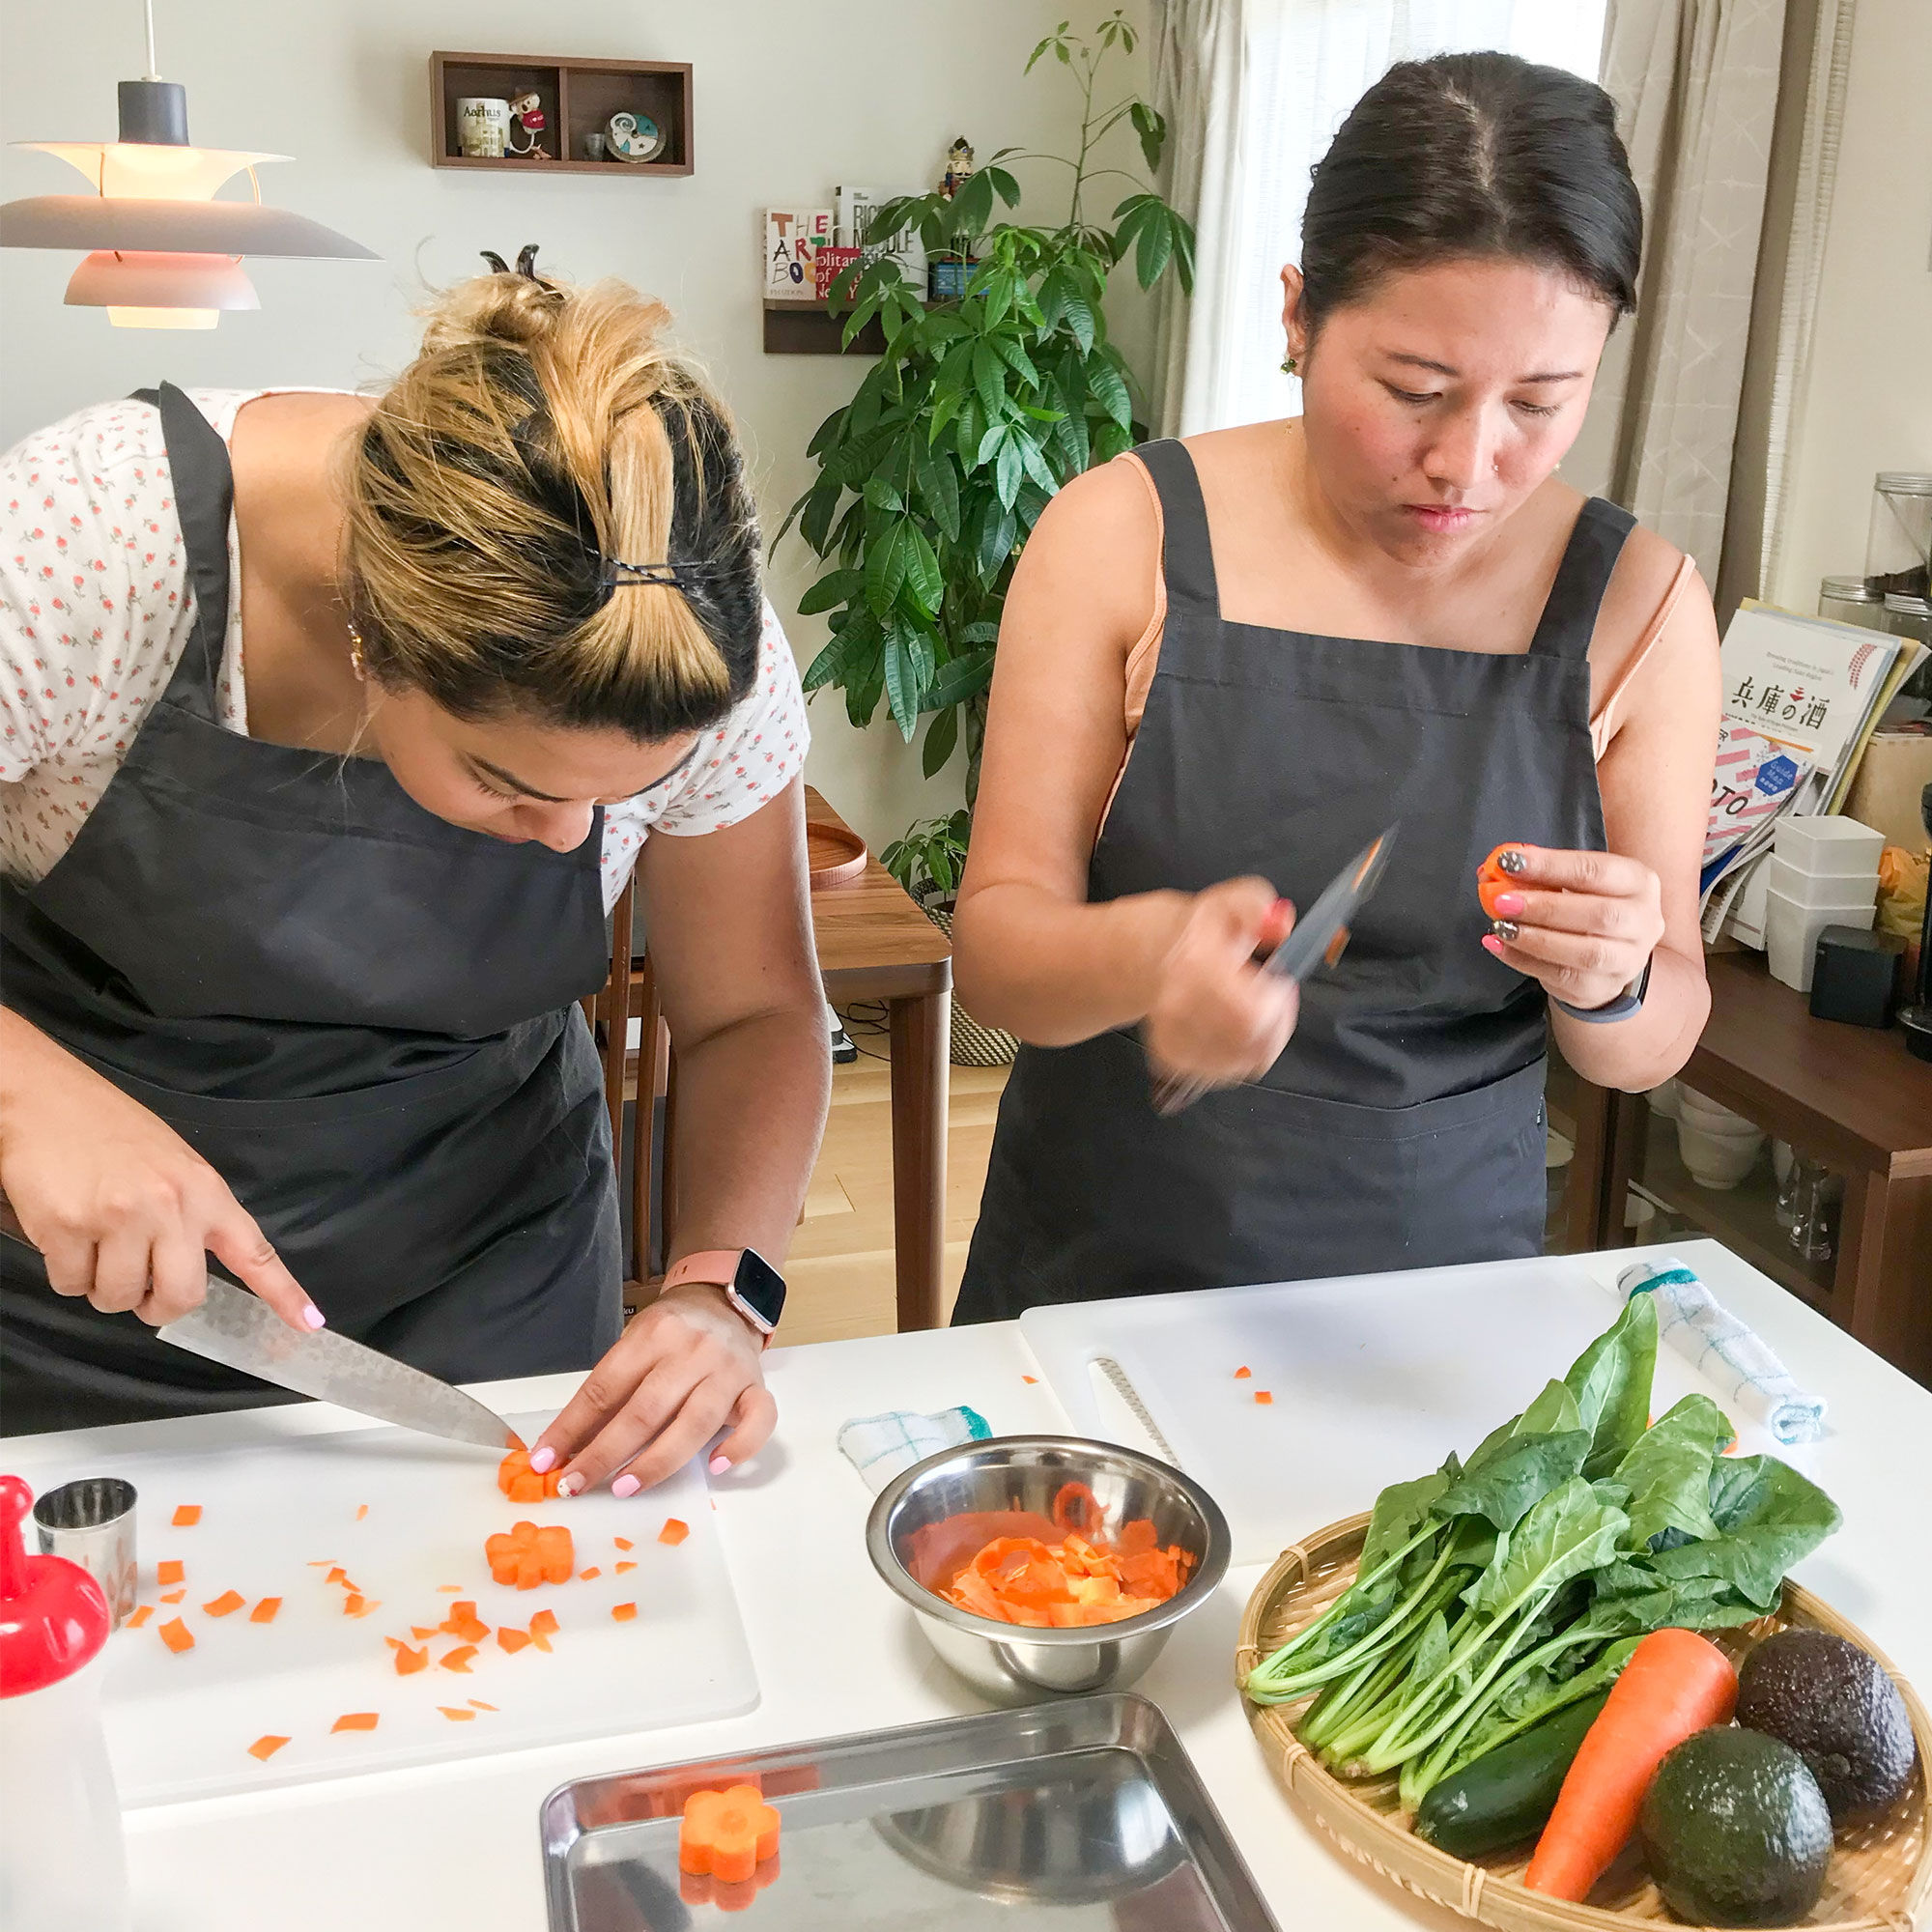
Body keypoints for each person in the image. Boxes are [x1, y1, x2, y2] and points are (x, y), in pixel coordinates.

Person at [0, 263, 830, 1496]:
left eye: (612, 799)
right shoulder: (89, 548)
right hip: (79, 1300)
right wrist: (26, 1100)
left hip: (491, 1279)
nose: (567, 838)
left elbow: (756, 1011)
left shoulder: (695, 640)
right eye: (507, 779)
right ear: (369, 638)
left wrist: (724, 1289)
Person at [952, 53, 1719, 1319]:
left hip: (1442, 1306)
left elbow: (1655, 1038)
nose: (1467, 464)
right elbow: (995, 954)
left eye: (1541, 400)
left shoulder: (1643, 607)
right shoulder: (1122, 535)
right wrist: (1148, 955)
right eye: (1414, 390)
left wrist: (1617, 977)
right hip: (1107, 1263)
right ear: (1300, 316)